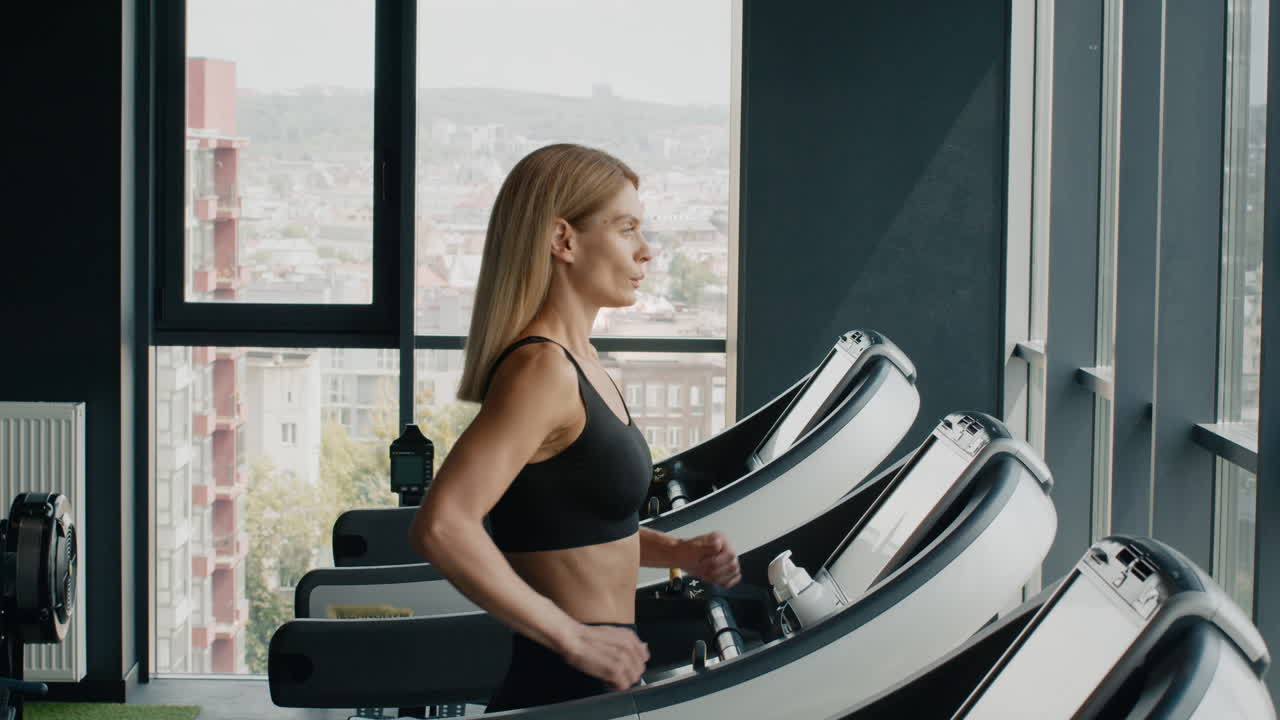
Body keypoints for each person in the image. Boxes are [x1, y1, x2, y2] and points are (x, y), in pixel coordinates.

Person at [408, 144, 741, 713]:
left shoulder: (581, 360)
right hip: (561, 685)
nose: (647, 251)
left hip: (599, 685)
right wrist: (573, 636)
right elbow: (442, 526)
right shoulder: (541, 369)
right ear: (564, 240)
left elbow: (570, 530)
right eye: (626, 229)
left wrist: (677, 552)